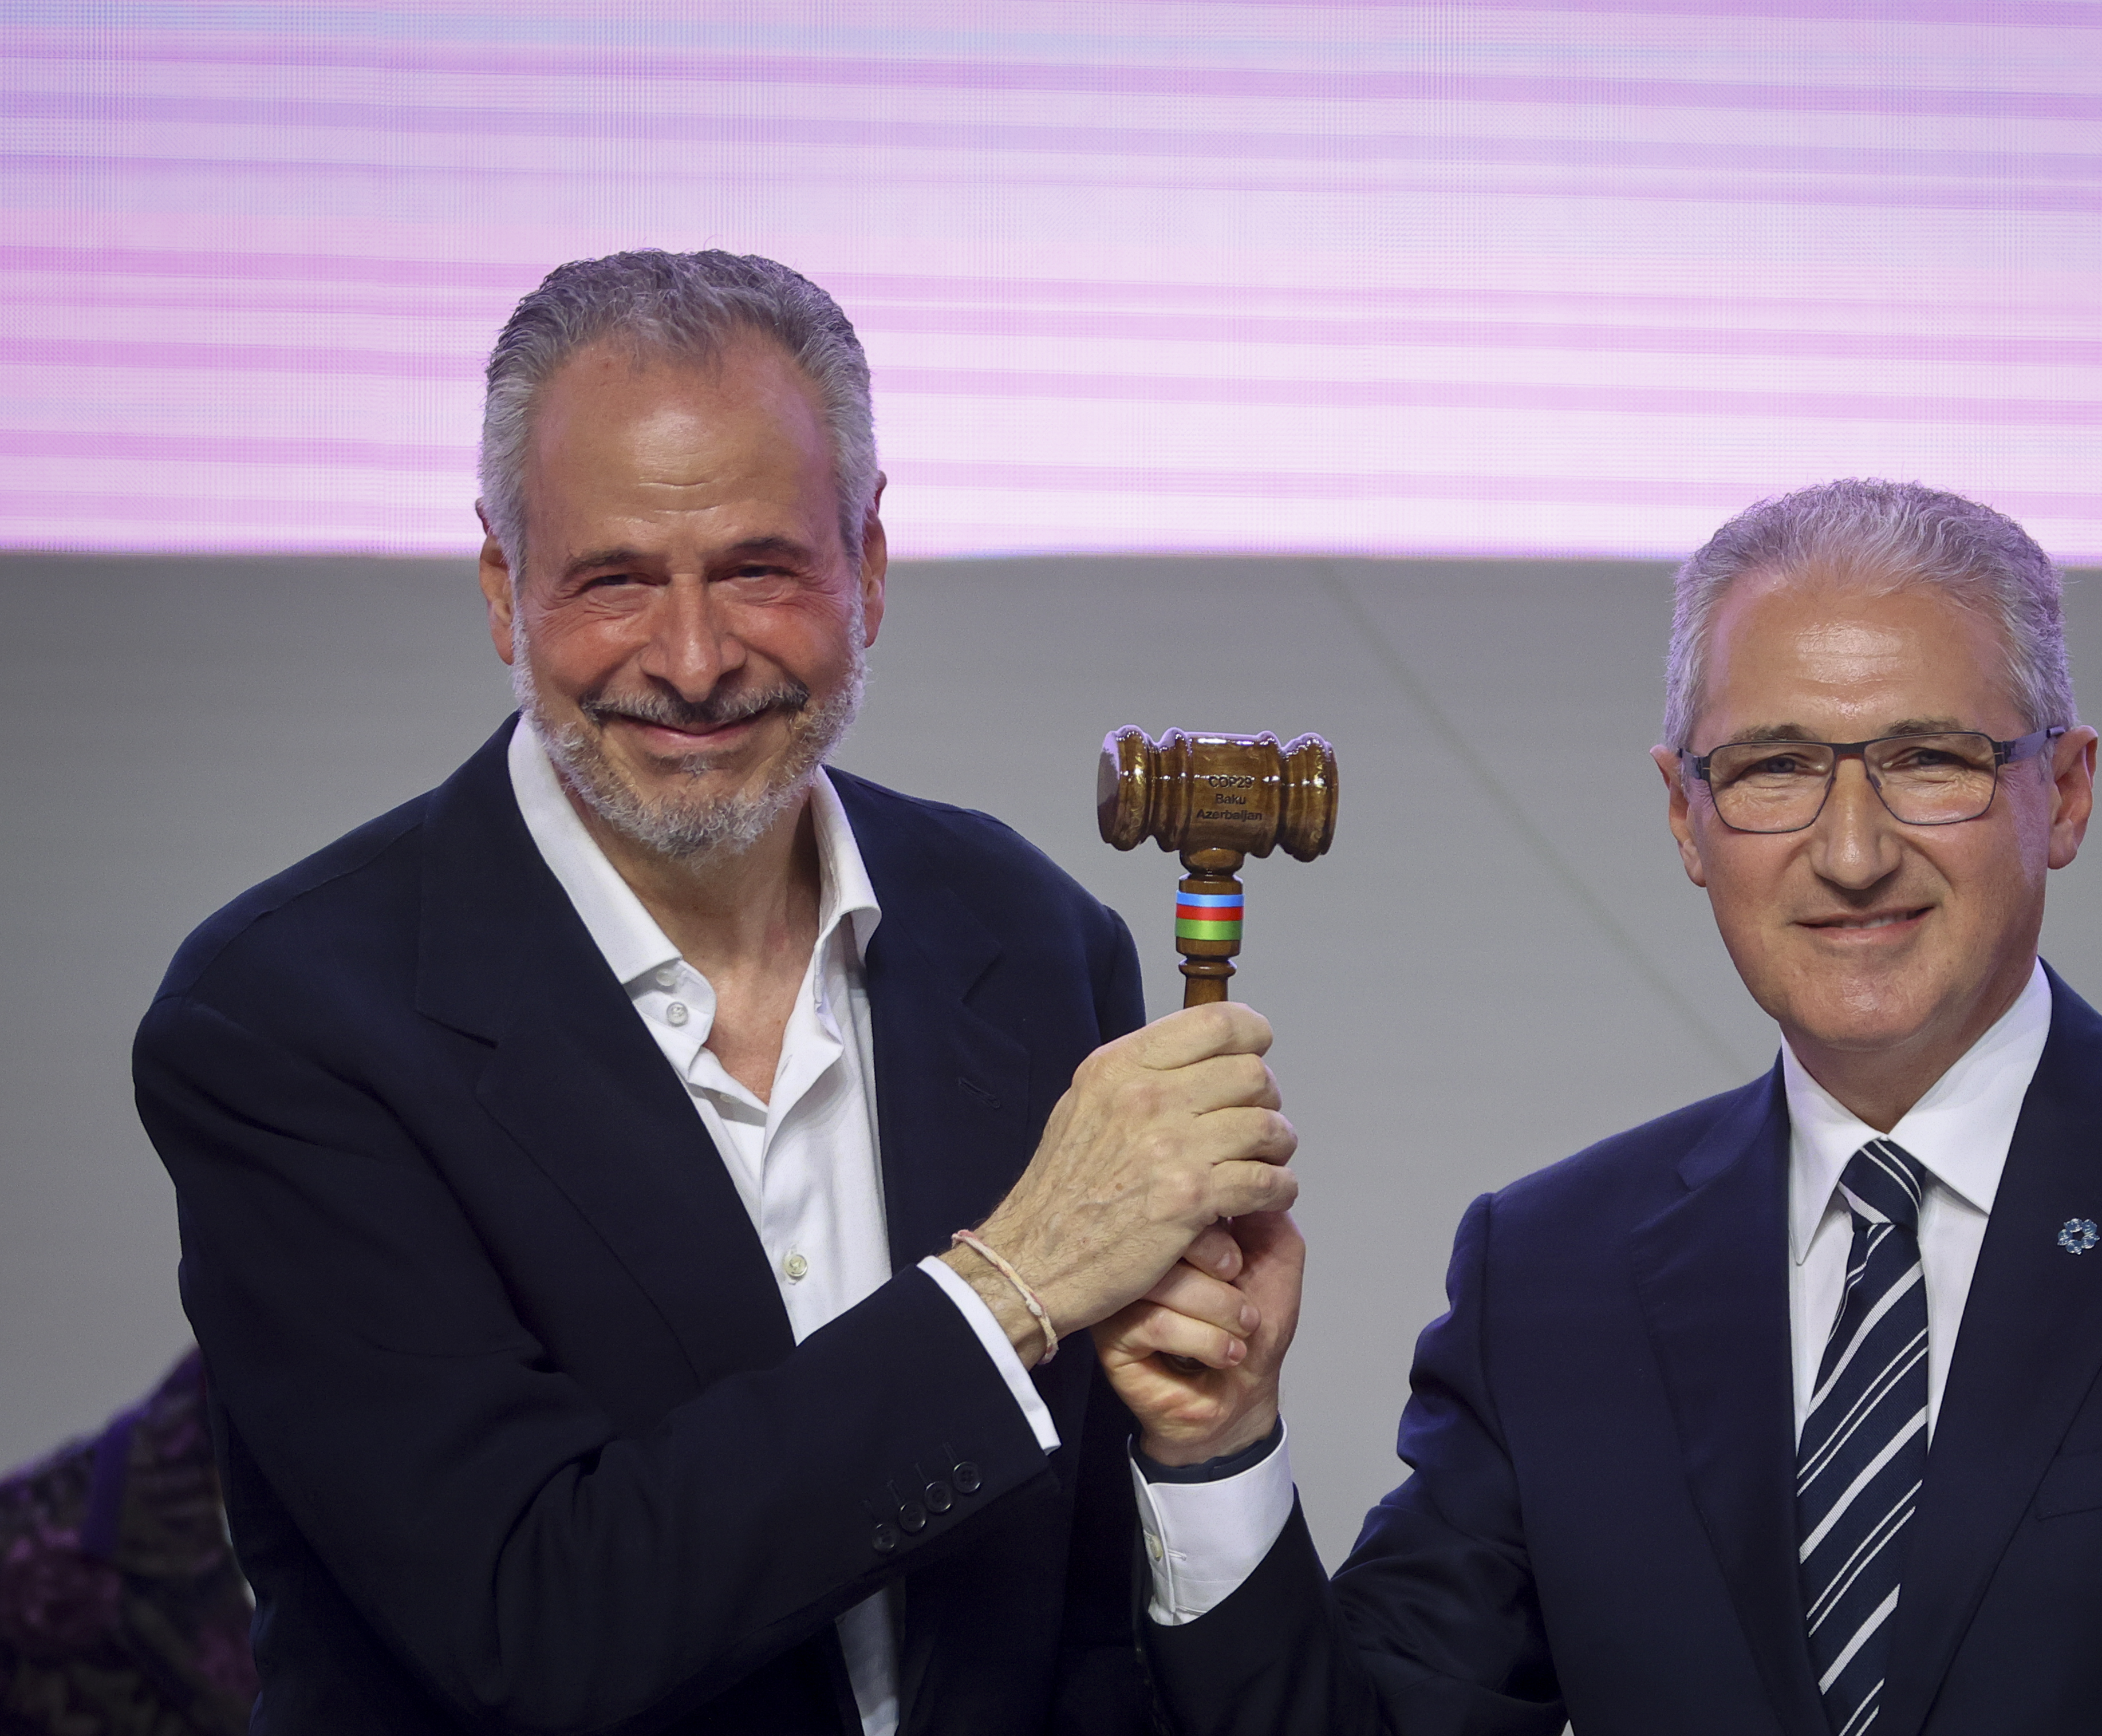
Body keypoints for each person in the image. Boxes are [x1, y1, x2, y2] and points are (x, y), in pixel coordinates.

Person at [1097, 480, 2102, 1735]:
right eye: (1773, 771)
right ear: (1686, 819)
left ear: (2067, 793)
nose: (1853, 850)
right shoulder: (1549, 1275)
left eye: (1929, 761)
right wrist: (1219, 1443)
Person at [133, 250, 1298, 1734]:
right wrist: (1010, 1287)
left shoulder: (1034, 938)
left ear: (868, 567)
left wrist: (1209, 1441)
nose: (691, 663)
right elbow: (535, 1628)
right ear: (502, 589)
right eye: (614, 580)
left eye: (759, 570)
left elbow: (1069, 1620)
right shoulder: (281, 1022)